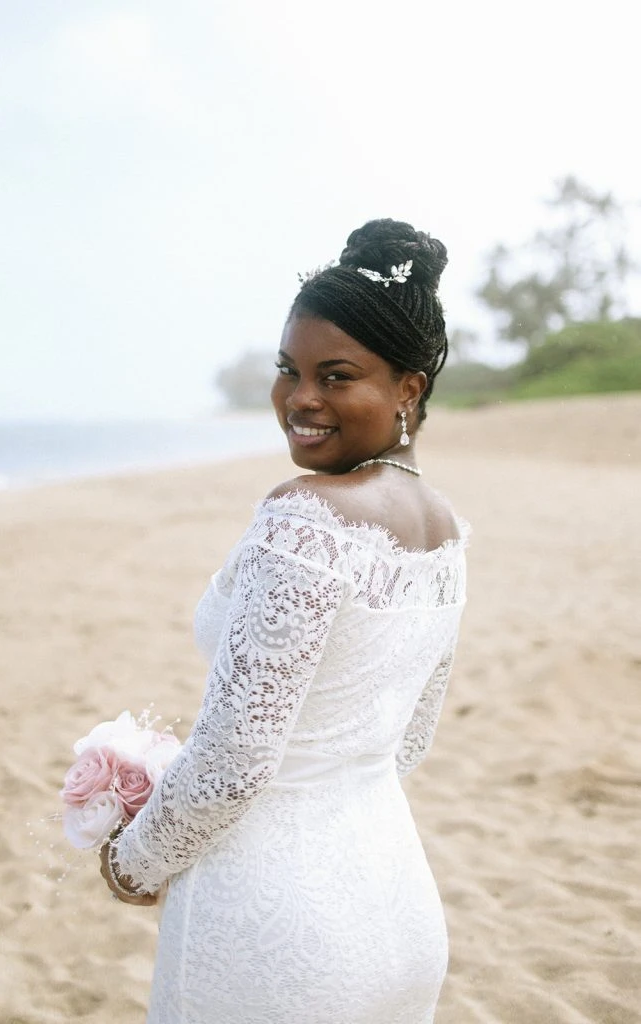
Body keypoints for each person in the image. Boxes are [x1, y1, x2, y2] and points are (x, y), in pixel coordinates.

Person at [100, 218, 470, 1024]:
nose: (300, 398)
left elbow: (234, 760)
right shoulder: (442, 528)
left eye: (336, 376)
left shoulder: (302, 521)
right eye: (287, 369)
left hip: (274, 928)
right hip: (392, 904)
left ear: (407, 389)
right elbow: (407, 740)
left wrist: (132, 861)